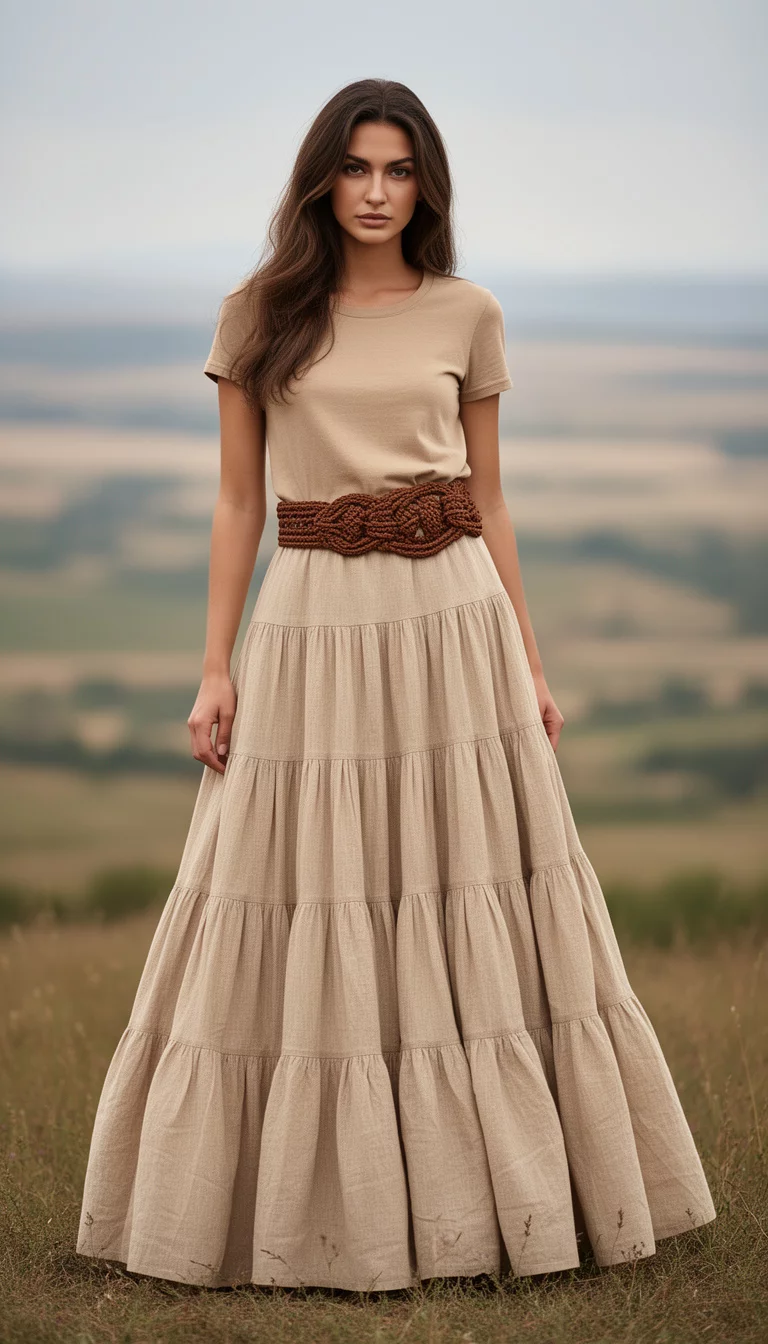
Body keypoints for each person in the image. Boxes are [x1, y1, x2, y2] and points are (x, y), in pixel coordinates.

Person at [76, 77, 715, 1293]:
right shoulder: (258, 314)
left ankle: (511, 1207)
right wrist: (213, 666)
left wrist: (528, 659)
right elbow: (236, 502)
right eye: (358, 167)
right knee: (299, 890)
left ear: (427, 186)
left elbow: (490, 498)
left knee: (469, 888)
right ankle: (294, 1212)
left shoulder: (469, 311)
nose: (377, 192)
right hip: (313, 623)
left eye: (400, 170)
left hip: (452, 621)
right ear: (322, 178)